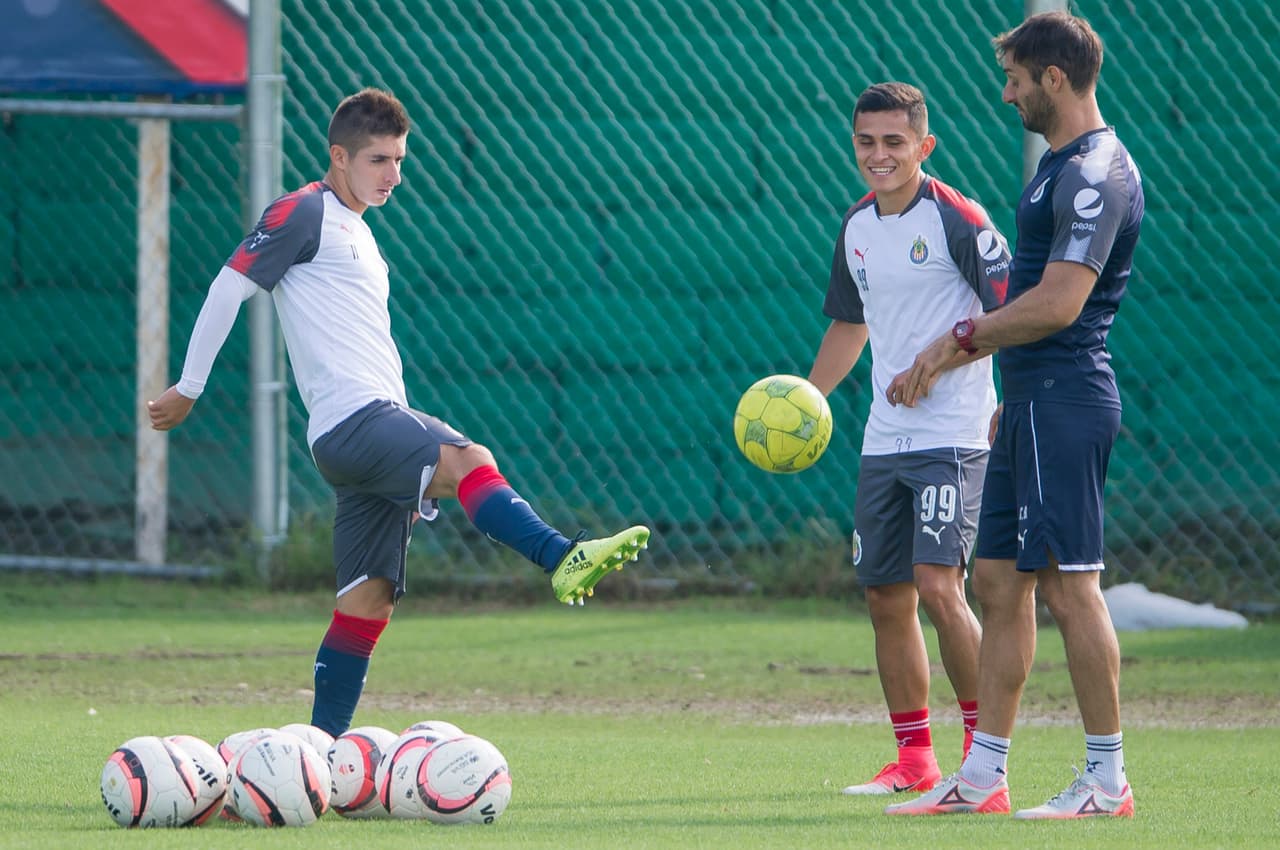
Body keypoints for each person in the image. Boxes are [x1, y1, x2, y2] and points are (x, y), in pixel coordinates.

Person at [147, 88, 650, 737]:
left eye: (400, 159)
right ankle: (562, 558)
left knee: (368, 602)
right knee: (472, 460)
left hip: (368, 429)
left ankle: (318, 756)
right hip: (356, 421)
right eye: (379, 159)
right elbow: (228, 285)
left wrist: (404, 462)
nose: (394, 174)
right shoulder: (305, 212)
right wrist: (189, 385)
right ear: (339, 156)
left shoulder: (358, 233)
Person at [884, 11, 1143, 819]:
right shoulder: (1057, 166)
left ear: (1053, 79)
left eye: (1016, 80)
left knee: (1071, 589)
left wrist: (958, 340)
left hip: (1065, 398)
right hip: (1029, 405)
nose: (1008, 94)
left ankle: (1107, 780)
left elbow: (1060, 303)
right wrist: (997, 386)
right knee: (996, 582)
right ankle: (983, 776)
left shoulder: (1095, 170)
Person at [807, 81, 1010, 796]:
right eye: (867, 142)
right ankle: (914, 760)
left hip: (952, 435)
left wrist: (943, 362)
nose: (879, 155)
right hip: (882, 440)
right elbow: (850, 323)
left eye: (895, 142)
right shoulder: (857, 225)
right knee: (885, 596)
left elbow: (1007, 317)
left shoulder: (960, 219)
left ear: (924, 146)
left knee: (937, 586)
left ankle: (985, 759)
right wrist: (808, 398)